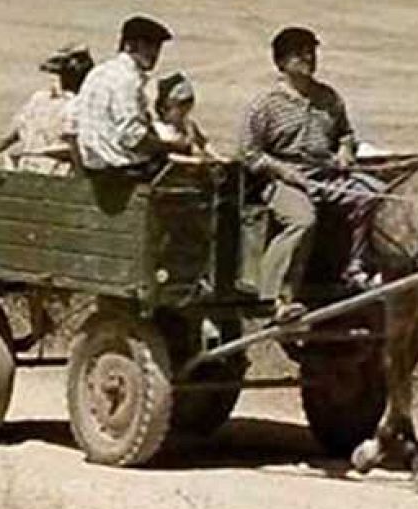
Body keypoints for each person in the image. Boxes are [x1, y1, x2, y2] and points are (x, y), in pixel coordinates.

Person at [238, 26, 382, 323]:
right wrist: (284, 172)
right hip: (282, 179)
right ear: (281, 63)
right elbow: (249, 153)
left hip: (326, 174)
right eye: (300, 53)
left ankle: (356, 268)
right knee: (302, 220)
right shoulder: (265, 105)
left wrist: (345, 152)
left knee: (374, 196)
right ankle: (276, 296)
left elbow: (345, 134)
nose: (308, 57)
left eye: (311, 51)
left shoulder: (328, 97)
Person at [72, 15, 189, 177]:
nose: (154, 53)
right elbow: (132, 138)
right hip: (117, 167)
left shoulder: (98, 72)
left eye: (157, 47)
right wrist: (172, 146)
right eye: (147, 45)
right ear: (129, 45)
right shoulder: (128, 79)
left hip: (92, 162)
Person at [0, 44, 93, 176]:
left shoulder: (43, 100)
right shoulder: (48, 101)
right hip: (48, 173)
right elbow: (10, 135)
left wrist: (35, 152)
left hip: (44, 171)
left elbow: (10, 136)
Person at [153, 72, 220, 162]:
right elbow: (166, 156)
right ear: (164, 108)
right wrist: (191, 160)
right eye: (180, 109)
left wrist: (217, 157)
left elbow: (203, 143)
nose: (184, 113)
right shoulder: (159, 129)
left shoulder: (188, 125)